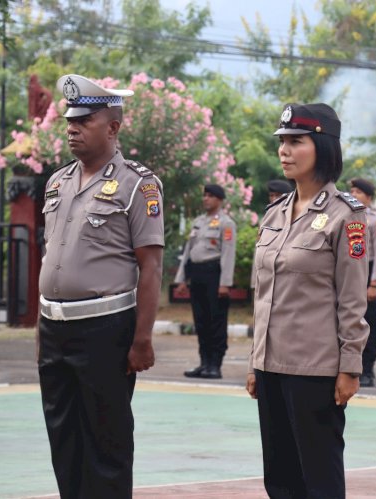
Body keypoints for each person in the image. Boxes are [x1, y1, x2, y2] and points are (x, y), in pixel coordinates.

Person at [37, 74, 164, 498]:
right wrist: (41, 328)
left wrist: (142, 338)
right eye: (70, 120)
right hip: (54, 328)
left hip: (106, 329)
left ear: (113, 127)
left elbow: (151, 266)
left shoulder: (138, 185)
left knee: (105, 442)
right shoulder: (57, 182)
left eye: (84, 120)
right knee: (63, 438)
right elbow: (49, 256)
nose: (72, 128)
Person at [245, 103, 369, 498]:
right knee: (279, 479)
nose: (284, 150)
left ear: (323, 147)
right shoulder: (274, 215)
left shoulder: (345, 216)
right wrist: (254, 361)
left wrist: (350, 366)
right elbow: (262, 296)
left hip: (315, 371)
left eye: (295, 142)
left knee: (319, 478)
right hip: (270, 367)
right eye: (282, 142)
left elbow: (352, 298)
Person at [174, 185, 236, 379]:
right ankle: (204, 363)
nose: (206, 199)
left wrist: (224, 283)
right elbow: (188, 252)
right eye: (205, 195)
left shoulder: (226, 223)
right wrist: (182, 279)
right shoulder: (198, 222)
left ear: (219, 200)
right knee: (200, 321)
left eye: (210, 196)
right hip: (198, 275)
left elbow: (228, 254)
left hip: (214, 274)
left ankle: (215, 365)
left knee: (215, 321)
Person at [349, 177, 376, 388]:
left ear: (369, 197)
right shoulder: (347, 216)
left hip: (369, 273)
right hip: (352, 273)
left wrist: (375, 283)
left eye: (358, 192)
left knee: (369, 325)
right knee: (349, 324)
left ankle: (367, 370)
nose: (353, 195)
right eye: (352, 191)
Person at [251, 179, 294, 289]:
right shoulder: (266, 220)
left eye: (278, 195)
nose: (274, 199)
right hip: (265, 278)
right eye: (271, 195)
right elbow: (259, 250)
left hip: (286, 280)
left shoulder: (296, 218)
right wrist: (255, 282)